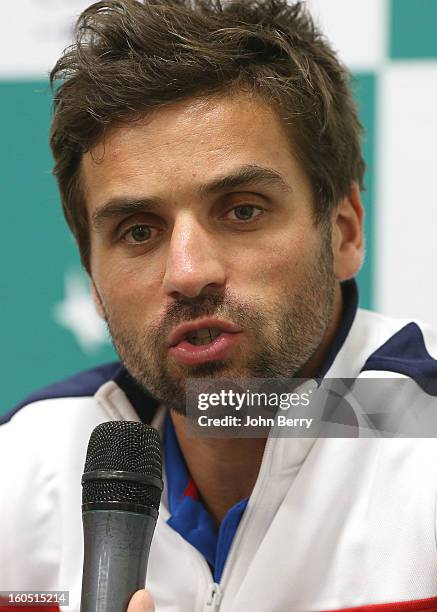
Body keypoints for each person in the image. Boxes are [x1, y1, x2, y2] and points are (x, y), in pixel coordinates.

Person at [2, 1, 437, 610]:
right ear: (95, 284)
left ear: (343, 231)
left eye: (242, 210)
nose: (187, 274)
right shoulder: (22, 469)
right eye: (138, 231)